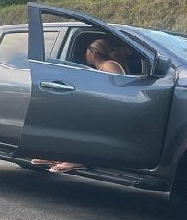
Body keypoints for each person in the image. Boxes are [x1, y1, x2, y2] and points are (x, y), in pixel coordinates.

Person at [32, 38, 126, 173]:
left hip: (109, 107)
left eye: (87, 51)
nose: (85, 54)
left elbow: (116, 88)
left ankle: (76, 159)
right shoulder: (99, 68)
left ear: (93, 53)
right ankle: (55, 156)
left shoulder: (110, 65)